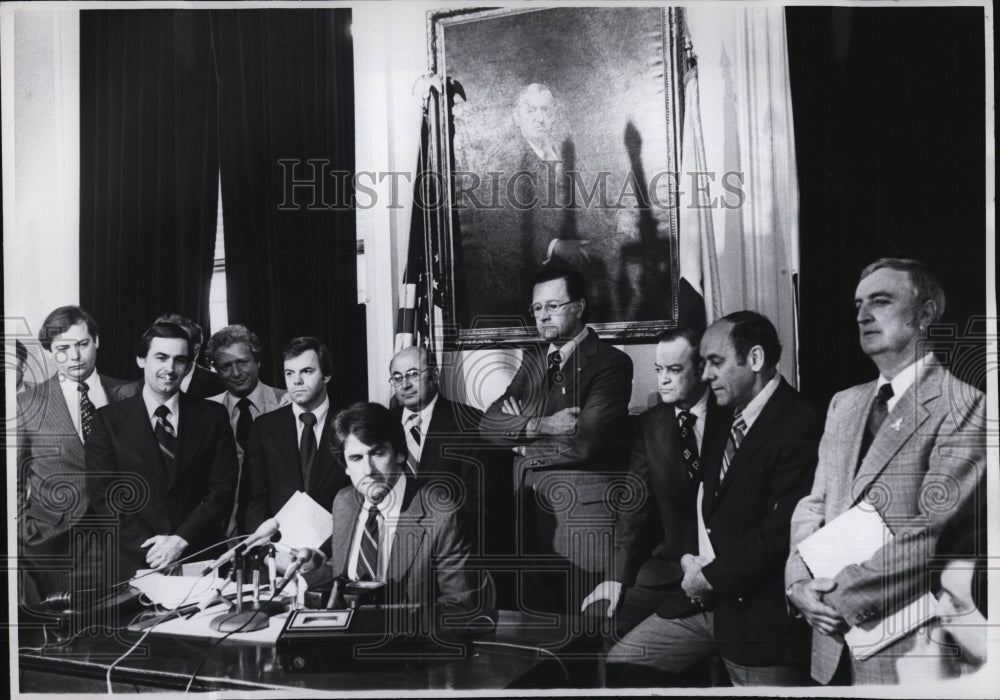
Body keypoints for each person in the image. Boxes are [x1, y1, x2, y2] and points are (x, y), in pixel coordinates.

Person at [785, 258, 985, 685]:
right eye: (858, 303)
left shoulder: (966, 404)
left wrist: (836, 598)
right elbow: (813, 505)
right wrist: (797, 583)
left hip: (908, 652)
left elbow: (931, 532)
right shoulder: (844, 403)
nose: (861, 315)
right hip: (829, 645)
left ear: (926, 314)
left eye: (881, 300)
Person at [607, 311, 821, 686]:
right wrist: (693, 563)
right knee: (624, 662)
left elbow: (780, 534)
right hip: (704, 595)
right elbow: (703, 505)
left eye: (715, 363)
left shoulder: (799, 422)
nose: (704, 375)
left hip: (760, 611)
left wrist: (707, 577)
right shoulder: (730, 413)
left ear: (754, 360)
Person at [480, 266, 632, 614]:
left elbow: (583, 443)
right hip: (530, 517)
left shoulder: (611, 363)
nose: (542, 315)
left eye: (553, 305)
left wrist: (516, 437)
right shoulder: (534, 359)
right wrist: (542, 425)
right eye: (536, 308)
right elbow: (488, 425)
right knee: (539, 632)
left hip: (580, 523)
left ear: (578, 307)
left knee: (588, 633)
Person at [581, 328, 727, 643]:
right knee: (603, 620)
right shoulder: (650, 425)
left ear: (702, 369)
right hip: (670, 568)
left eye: (674, 370)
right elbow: (632, 508)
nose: (663, 380)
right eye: (658, 370)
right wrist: (615, 578)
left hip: (726, 568)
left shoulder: (731, 414)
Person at [303, 402, 490, 631]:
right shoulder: (344, 502)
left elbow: (461, 610)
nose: (368, 470)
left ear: (400, 454)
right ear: (345, 466)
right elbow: (344, 575)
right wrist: (301, 581)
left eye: (377, 453)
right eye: (356, 458)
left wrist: (386, 627)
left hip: (408, 652)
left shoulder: (441, 514)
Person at [86, 321, 237, 580]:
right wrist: (154, 549)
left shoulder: (213, 416)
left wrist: (180, 540)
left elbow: (222, 488)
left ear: (189, 366)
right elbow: (105, 497)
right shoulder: (106, 421)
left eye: (180, 360)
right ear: (141, 359)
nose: (170, 368)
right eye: (161, 357)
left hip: (200, 555)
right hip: (136, 559)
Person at [17, 306, 137, 601]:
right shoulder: (27, 404)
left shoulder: (130, 393)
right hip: (55, 545)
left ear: (96, 340)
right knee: (66, 641)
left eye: (82, 344)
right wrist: (25, 528)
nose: (74, 357)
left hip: (124, 543)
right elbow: (11, 480)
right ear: (49, 352)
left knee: (125, 630)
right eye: (62, 349)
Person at [387, 346, 507, 547]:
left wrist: (441, 538)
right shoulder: (384, 426)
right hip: (394, 545)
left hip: (451, 544)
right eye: (397, 378)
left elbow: (480, 500)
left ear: (434, 374)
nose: (405, 385)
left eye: (413, 374)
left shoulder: (468, 422)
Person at [244, 337, 348, 534]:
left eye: (307, 371)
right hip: (281, 551)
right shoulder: (264, 428)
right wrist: (268, 552)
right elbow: (256, 500)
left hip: (339, 548)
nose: (296, 381)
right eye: (289, 373)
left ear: (326, 375)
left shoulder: (350, 423)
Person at [205, 324, 289, 534]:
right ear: (215, 369)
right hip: (220, 530)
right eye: (225, 366)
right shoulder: (206, 413)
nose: (236, 373)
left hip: (278, 525)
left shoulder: (287, 404)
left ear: (258, 361)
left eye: (243, 362)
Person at [153, 313, 225, 399]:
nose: (168, 349)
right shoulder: (135, 389)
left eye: (178, 342)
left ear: (196, 350)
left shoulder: (220, 385)